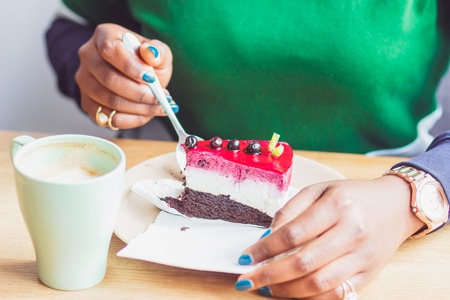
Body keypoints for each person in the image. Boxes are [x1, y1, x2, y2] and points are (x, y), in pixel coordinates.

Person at [45, 1, 450, 299]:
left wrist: (417, 191)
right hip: (134, 236)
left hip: (392, 224)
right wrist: (105, 72)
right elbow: (74, 29)